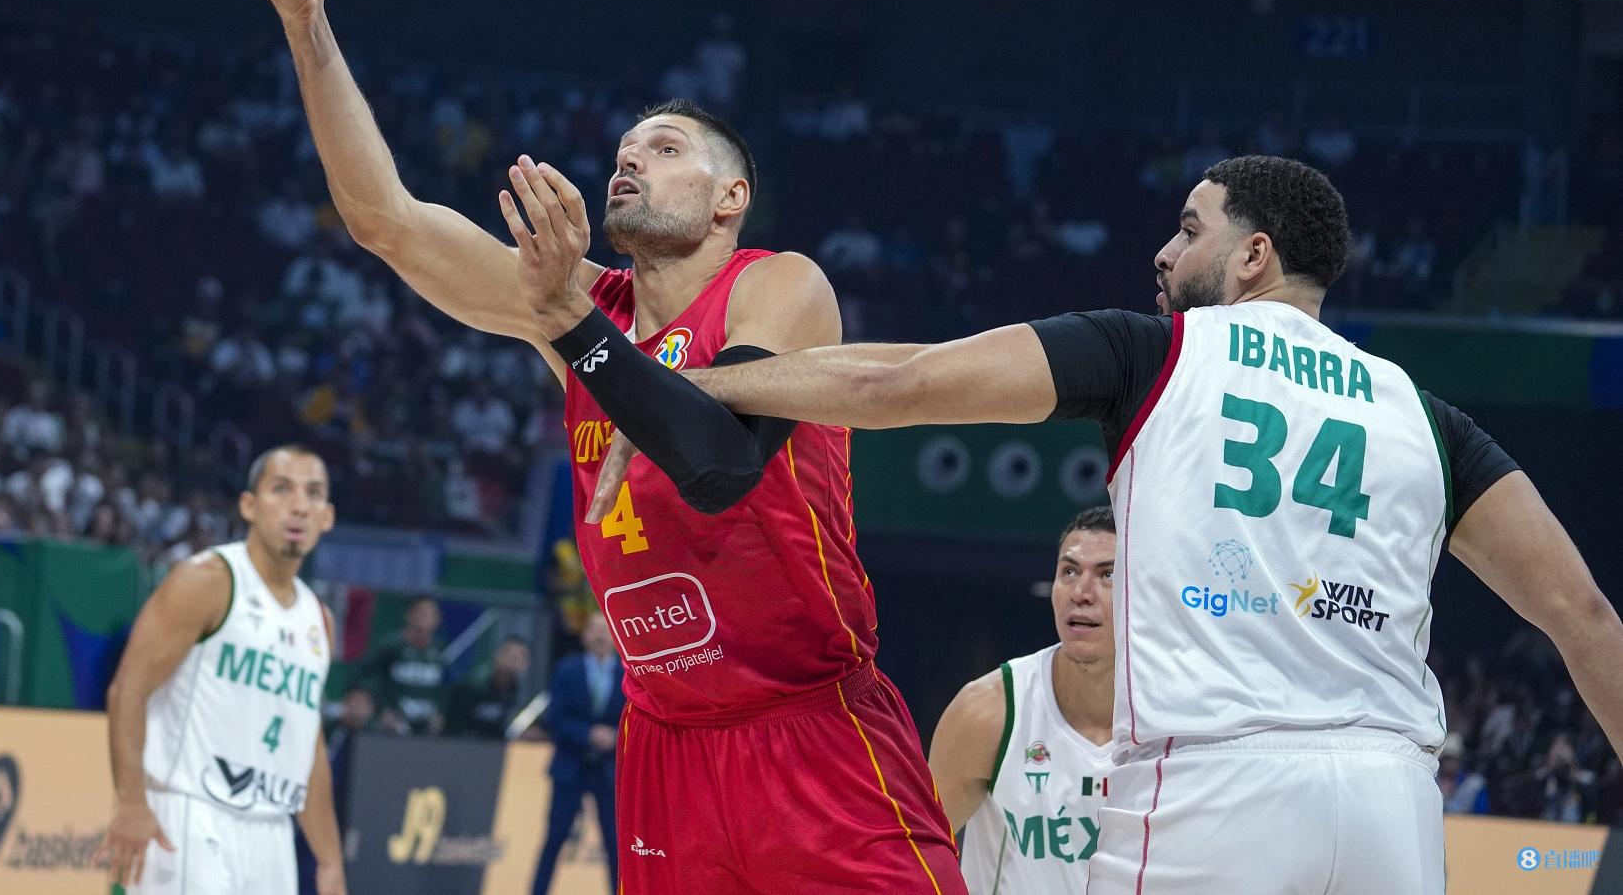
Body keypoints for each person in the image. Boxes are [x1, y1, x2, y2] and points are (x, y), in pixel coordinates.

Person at [227, 0, 964, 895]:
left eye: (664, 149)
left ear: (728, 198)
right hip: (661, 743)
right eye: (623, 151)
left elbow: (718, 457)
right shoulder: (573, 308)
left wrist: (566, 321)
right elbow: (385, 219)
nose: (630, 162)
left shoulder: (777, 286)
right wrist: (306, 23)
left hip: (807, 724)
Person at [613, 154, 1623, 893]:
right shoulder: (1426, 418)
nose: (1162, 250)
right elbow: (1581, 616)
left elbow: (900, 381)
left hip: (1217, 786)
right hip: (1391, 807)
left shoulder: (1153, 353)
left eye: (1189, 228)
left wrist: (694, 381)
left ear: (1252, 256)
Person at [95, 445, 345, 895]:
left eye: (313, 493)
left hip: (272, 831)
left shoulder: (318, 619)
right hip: (190, 815)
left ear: (327, 517)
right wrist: (131, 802)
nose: (299, 506)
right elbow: (128, 689)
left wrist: (329, 861)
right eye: (282, 489)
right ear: (249, 505)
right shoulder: (208, 581)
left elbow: (308, 744)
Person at [929, 506, 1114, 894]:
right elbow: (911, 857)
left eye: (1107, 575)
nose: (1081, 593)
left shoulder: (1180, 721)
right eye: (1069, 571)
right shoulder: (989, 711)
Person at [532, 613, 625, 895]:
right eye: (594, 629)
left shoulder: (628, 672)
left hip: (608, 769)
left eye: (605, 630)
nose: (600, 635)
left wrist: (616, 735)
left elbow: (636, 718)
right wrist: (588, 734)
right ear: (584, 636)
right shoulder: (567, 669)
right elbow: (555, 718)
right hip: (570, 765)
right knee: (555, 838)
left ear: (616, 637)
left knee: (615, 843)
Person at [362, 595, 449, 735]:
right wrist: (382, 710)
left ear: (437, 619)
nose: (425, 620)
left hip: (427, 727)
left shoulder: (441, 651)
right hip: (392, 725)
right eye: (421, 614)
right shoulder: (390, 647)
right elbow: (366, 678)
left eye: (430, 615)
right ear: (409, 615)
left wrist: (440, 713)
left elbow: (446, 688)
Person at [448, 634, 534, 739]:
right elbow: (454, 728)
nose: (511, 661)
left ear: (525, 664)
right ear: (497, 655)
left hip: (499, 745)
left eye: (517, 657)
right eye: (509, 655)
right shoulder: (471, 686)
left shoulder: (522, 695)